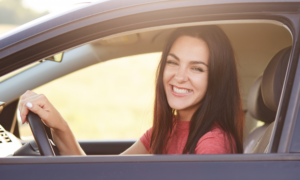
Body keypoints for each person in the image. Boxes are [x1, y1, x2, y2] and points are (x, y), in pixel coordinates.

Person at [18, 25, 244, 155]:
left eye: (196, 68)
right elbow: (102, 176)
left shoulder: (212, 143)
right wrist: (59, 126)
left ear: (216, 78)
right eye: (173, 62)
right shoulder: (167, 129)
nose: (180, 76)